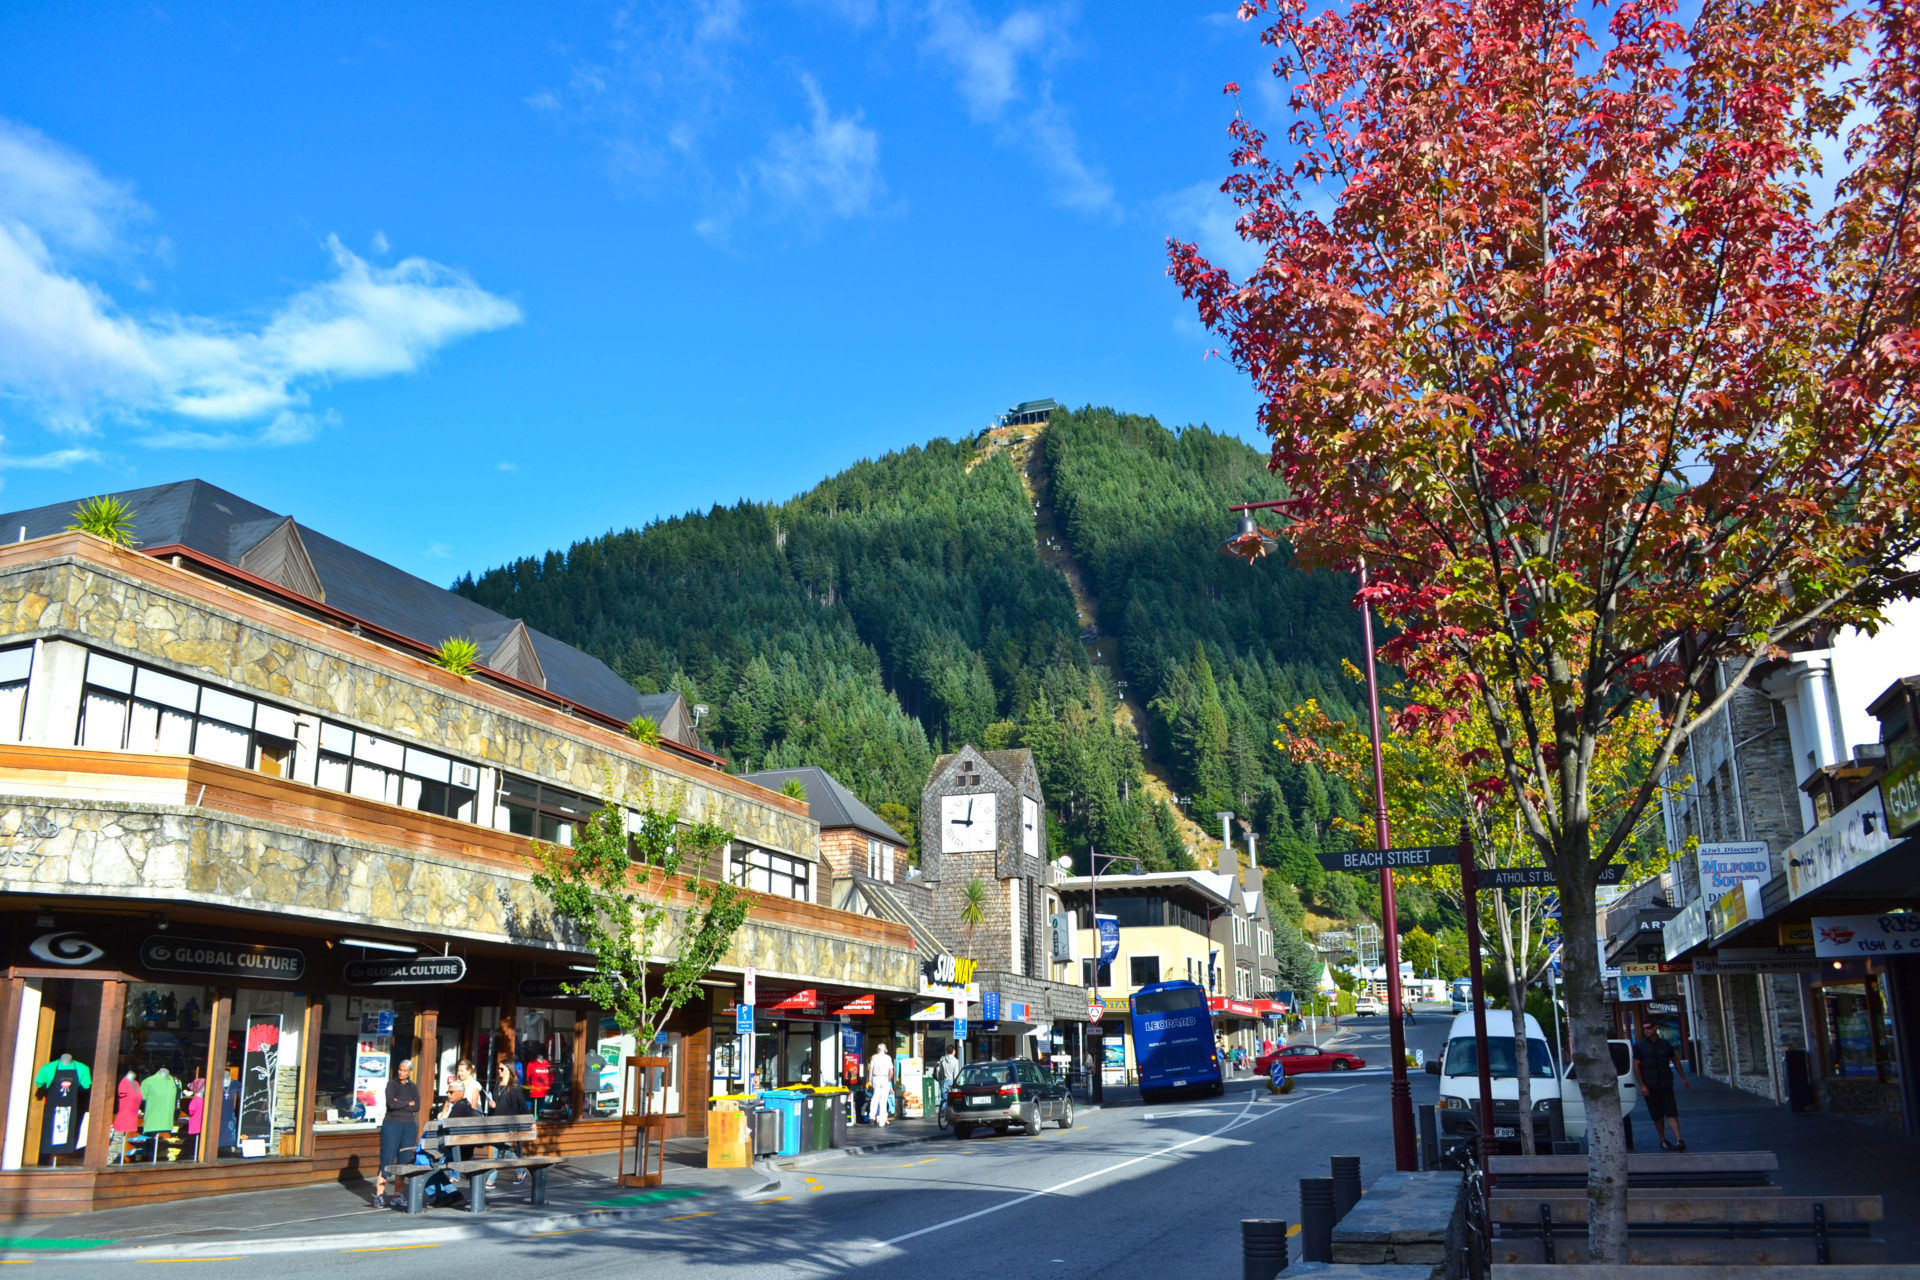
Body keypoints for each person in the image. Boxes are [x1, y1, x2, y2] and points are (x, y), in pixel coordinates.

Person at [1632, 1027, 1690, 1151]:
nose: (1646, 1031)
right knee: (1657, 1115)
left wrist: (1683, 1078)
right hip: (1650, 1085)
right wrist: (1642, 1085)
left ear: (1655, 1028)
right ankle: (1662, 1139)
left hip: (1666, 1083)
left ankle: (1679, 1140)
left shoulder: (1665, 1044)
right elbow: (1636, 1066)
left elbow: (1675, 1060)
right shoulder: (1640, 1046)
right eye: (1644, 1028)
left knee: (1671, 1112)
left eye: (1648, 1028)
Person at [375, 1060, 420, 1208]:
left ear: (410, 1072)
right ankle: (379, 1195)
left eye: (405, 1070)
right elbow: (391, 1104)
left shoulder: (413, 1087)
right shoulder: (392, 1084)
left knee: (404, 1160)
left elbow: (417, 1106)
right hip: (392, 1124)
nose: (401, 1072)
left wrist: (401, 1102)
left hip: (408, 1125)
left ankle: (397, 1195)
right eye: (400, 1069)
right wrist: (408, 1103)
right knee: (387, 1157)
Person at [486, 1060, 530, 1191]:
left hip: (509, 1123)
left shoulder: (514, 1087)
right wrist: (492, 1105)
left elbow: (523, 1106)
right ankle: (520, 1170)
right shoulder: (497, 1085)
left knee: (497, 1151)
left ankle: (491, 1180)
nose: (499, 1071)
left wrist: (531, 1122)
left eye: (502, 1069)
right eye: (498, 1069)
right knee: (504, 1150)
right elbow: (496, 1105)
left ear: (509, 1070)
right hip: (497, 1122)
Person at [868, 1043, 895, 1127]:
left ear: (878, 1049)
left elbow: (870, 1069)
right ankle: (882, 1122)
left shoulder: (874, 1057)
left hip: (876, 1078)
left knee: (875, 1098)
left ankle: (872, 1117)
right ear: (884, 1050)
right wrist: (889, 1081)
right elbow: (891, 1071)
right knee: (883, 1100)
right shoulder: (888, 1058)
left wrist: (870, 1080)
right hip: (885, 1079)